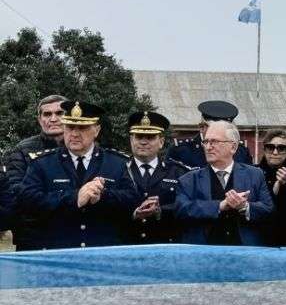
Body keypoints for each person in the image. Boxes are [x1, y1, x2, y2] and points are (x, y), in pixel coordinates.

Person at [17, 100, 141, 249]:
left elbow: (133, 200)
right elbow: (26, 201)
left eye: (82, 127)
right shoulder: (42, 163)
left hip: (102, 253)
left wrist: (102, 196)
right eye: (70, 127)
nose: (74, 134)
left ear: (97, 130)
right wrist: (74, 197)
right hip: (58, 253)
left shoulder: (118, 163)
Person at [175, 120, 274, 245]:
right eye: (206, 141)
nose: (208, 147)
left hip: (245, 253)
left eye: (214, 142)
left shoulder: (255, 175)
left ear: (233, 147)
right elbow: (181, 209)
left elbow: (268, 209)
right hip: (203, 253)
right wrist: (219, 206)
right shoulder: (188, 179)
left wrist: (244, 207)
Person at [3, 94, 68, 250]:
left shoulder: (81, 147)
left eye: (59, 113)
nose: (53, 119)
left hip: (73, 236)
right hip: (34, 238)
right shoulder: (22, 150)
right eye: (47, 114)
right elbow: (16, 193)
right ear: (39, 119)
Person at [125, 111, 192, 244]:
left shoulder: (178, 172)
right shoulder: (118, 169)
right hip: (126, 245)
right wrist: (133, 213)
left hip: (164, 245)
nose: (143, 142)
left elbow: (186, 207)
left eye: (150, 137)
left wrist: (161, 211)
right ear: (131, 140)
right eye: (138, 137)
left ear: (161, 142)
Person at [168, 100, 252, 168]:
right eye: (215, 128)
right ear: (202, 127)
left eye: (225, 129)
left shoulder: (240, 151)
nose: (220, 133)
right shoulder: (181, 150)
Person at [256, 128, 286, 245]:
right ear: (264, 149)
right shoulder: (254, 173)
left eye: (281, 148)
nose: (275, 152)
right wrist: (275, 188)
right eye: (270, 147)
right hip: (262, 239)